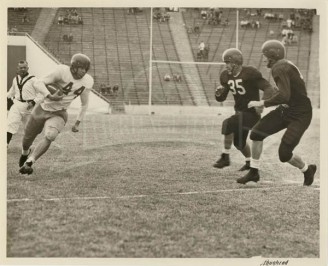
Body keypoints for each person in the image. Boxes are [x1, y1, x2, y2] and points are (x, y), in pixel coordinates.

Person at [237, 40, 316, 186]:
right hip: (286, 109)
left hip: (300, 114)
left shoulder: (279, 67)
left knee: (284, 154)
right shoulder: (284, 65)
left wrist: (262, 103)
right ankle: (254, 172)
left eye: (265, 55)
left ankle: (307, 170)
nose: (264, 58)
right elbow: (285, 94)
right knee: (256, 133)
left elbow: (284, 95)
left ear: (272, 54)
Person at [19, 53, 94, 175]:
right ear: (74, 66)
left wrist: (77, 122)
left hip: (60, 112)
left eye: (86, 69)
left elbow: (84, 104)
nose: (84, 72)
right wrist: (49, 96)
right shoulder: (61, 71)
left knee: (51, 135)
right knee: (27, 140)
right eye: (82, 68)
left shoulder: (87, 81)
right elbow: (38, 83)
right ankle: (25, 153)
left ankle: (29, 162)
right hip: (42, 108)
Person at [213, 48, 273, 170]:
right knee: (239, 143)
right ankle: (248, 162)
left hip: (251, 113)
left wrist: (261, 103)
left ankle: (225, 157)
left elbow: (268, 88)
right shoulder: (225, 76)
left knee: (227, 124)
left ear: (236, 62)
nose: (226, 66)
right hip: (239, 112)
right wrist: (218, 94)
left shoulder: (250, 73)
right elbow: (221, 98)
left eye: (228, 62)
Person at [7, 61, 50, 146]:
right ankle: (5, 144)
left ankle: (38, 128)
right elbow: (11, 92)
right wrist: (6, 97)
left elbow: (43, 93)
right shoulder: (15, 79)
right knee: (11, 123)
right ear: (17, 69)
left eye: (24, 67)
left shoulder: (34, 80)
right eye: (21, 68)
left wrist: (34, 102)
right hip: (17, 104)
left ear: (28, 68)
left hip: (29, 107)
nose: (23, 69)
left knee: (29, 130)